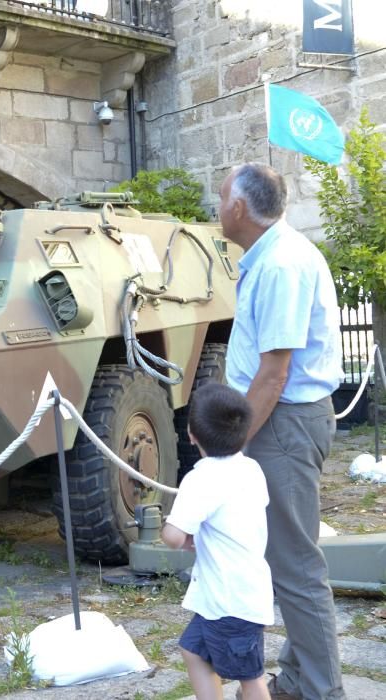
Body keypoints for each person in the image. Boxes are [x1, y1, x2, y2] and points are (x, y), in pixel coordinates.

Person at [219, 163, 345, 700]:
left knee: (295, 567)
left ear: (240, 208)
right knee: (291, 559)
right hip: (285, 420)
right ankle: (298, 678)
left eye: (220, 196)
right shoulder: (273, 256)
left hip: (284, 423)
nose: (217, 204)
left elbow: (274, 374)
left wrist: (231, 445)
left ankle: (322, 690)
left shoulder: (280, 266)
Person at [162, 382, 274, 700]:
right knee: (192, 650)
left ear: (191, 434)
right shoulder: (251, 469)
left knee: (250, 678)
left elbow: (172, 535)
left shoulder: (200, 479)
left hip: (229, 602)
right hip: (236, 595)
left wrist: (176, 532)